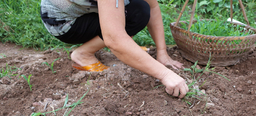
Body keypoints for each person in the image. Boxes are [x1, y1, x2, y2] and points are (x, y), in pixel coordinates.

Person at [40, 0, 188, 98]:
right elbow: (114, 40)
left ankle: (122, 44)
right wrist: (164, 74)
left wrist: (162, 52)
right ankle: (83, 53)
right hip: (64, 21)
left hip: (89, 10)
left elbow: (152, 6)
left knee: (140, 10)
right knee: (124, 26)